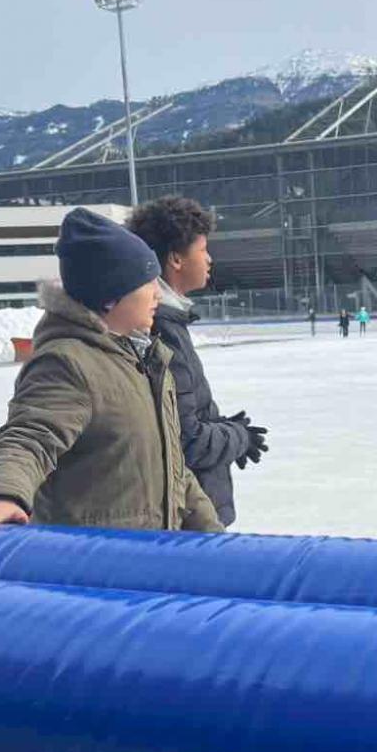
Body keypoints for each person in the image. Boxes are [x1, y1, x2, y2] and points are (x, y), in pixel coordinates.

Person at [0, 207, 222, 540]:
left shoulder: (143, 360)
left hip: (149, 555)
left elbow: (173, 470)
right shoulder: (67, 363)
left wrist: (214, 539)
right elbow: (30, 436)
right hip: (92, 560)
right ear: (111, 296)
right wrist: (1, 495)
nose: (157, 293)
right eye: (146, 282)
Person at [127, 196, 267, 529]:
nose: (209, 259)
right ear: (176, 258)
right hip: (189, 517)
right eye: (203, 249)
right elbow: (184, 440)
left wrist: (223, 427)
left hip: (192, 509)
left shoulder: (168, 322)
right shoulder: (162, 330)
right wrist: (237, 437)